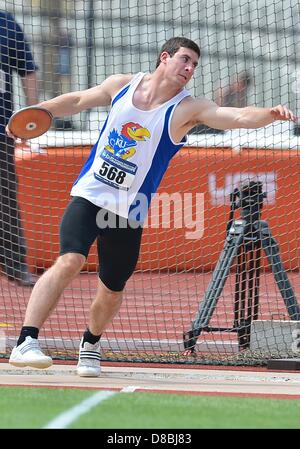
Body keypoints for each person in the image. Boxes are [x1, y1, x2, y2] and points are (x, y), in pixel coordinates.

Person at [6, 36, 296, 376]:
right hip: (90, 195)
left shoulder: (188, 109)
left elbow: (236, 116)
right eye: (185, 60)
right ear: (164, 58)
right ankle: (26, 340)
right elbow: (79, 99)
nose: (189, 69)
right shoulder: (122, 86)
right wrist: (38, 110)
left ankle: (91, 344)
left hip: (129, 211)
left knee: (112, 289)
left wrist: (269, 114)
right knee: (70, 260)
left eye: (194, 65)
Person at [0, 11, 39, 286]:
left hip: (1, 127)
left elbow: (28, 70)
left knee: (5, 198)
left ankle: (14, 265)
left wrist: (32, 120)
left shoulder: (6, 23)